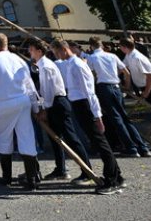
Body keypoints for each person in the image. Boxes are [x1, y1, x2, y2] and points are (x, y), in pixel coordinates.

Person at [51, 39, 124, 194]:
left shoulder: (77, 65)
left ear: (64, 49)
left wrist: (97, 116)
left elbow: (89, 92)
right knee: (97, 141)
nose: (56, 56)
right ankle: (117, 175)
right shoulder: (70, 64)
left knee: (100, 142)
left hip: (85, 105)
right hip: (78, 104)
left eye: (57, 52)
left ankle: (112, 179)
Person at [0, 33, 41, 190]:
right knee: (26, 137)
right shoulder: (18, 59)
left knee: (4, 138)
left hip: (5, 104)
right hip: (23, 101)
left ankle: (7, 178)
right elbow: (29, 85)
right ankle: (32, 179)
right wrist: (36, 107)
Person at [28, 39, 93, 184]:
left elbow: (49, 90)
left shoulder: (46, 66)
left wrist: (44, 108)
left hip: (57, 103)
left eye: (31, 50)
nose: (29, 52)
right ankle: (60, 169)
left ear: (39, 51)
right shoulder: (42, 65)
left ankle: (87, 171)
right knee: (55, 138)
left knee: (71, 138)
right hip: (53, 103)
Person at [85, 36, 151, 158]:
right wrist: (127, 86)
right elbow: (126, 73)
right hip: (116, 86)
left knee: (117, 119)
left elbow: (91, 75)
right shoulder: (112, 56)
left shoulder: (92, 58)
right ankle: (143, 147)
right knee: (125, 117)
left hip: (104, 87)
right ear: (101, 45)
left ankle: (131, 148)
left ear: (91, 46)